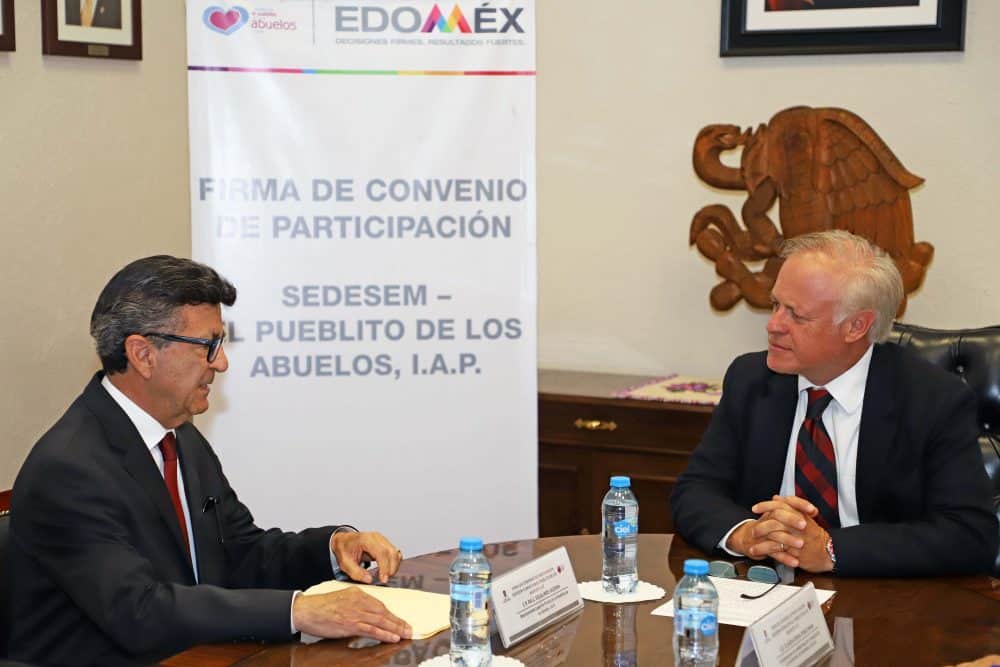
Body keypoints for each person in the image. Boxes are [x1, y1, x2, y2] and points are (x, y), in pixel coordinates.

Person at [7, 256, 412, 665]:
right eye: (209, 345)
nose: (221, 362)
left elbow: (240, 553)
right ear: (143, 354)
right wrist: (297, 610)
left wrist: (333, 547)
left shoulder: (180, 436)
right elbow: (140, 609)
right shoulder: (68, 469)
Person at [671, 230, 997, 577]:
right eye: (775, 305)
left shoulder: (932, 399)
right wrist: (746, 534)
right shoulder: (750, 379)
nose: (773, 325)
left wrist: (830, 549)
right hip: (765, 591)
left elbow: (969, 534)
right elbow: (695, 490)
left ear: (856, 326)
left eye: (797, 315)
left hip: (881, 596)